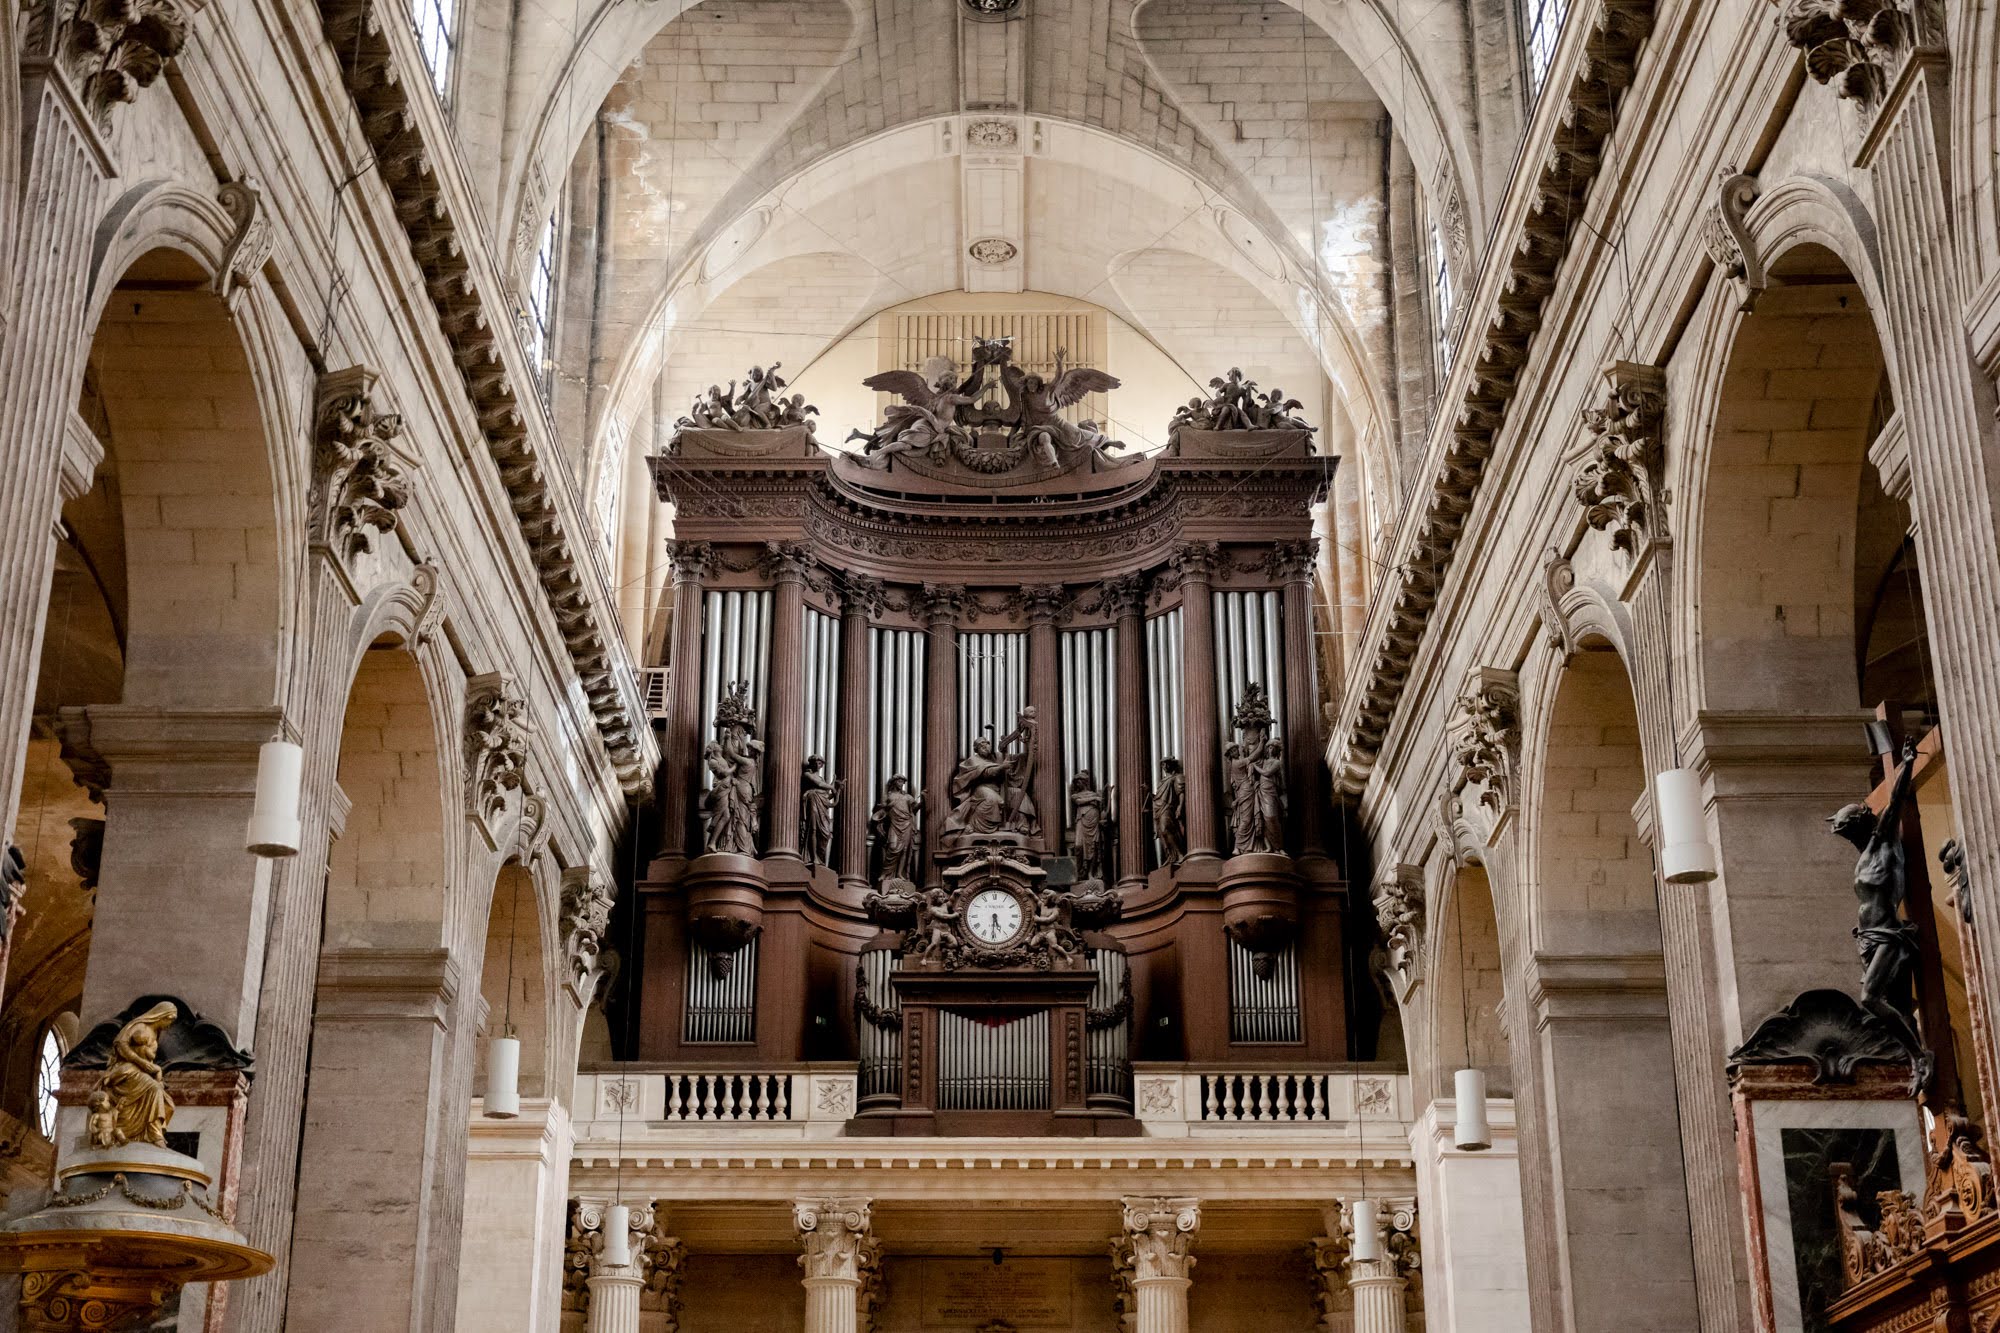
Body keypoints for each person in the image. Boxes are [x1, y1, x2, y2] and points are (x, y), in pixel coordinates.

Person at [871, 775, 921, 883]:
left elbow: (915, 808)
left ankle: (899, 873)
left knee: (904, 850)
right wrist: (889, 806)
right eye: (899, 781)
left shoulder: (908, 797)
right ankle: (885, 874)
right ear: (894, 782)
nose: (901, 783)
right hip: (894, 825)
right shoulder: (889, 796)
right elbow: (882, 809)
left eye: (903, 782)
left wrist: (923, 800)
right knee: (892, 847)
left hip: (907, 823)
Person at [800, 755, 840, 868]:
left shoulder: (822, 779)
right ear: (812, 763)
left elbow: (827, 797)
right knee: (813, 829)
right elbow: (819, 785)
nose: (818, 765)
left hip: (822, 805)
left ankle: (820, 856)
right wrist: (832, 787)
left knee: (825, 833)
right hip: (813, 801)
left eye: (820, 763)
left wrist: (838, 790)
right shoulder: (808, 775)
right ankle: (813, 857)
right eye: (817, 762)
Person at [1069, 771, 1106, 881]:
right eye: (1076, 783)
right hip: (1082, 820)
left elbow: (1103, 810)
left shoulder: (1095, 794)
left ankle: (1090, 873)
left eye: (1078, 782)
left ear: (1083, 782)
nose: (1077, 785)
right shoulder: (1076, 795)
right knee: (1078, 846)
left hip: (1094, 821)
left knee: (1093, 847)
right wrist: (1094, 799)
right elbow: (1079, 802)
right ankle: (1080, 872)